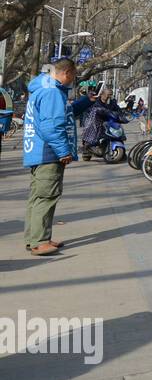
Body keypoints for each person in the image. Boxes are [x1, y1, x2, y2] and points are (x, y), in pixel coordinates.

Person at [23, 59, 91, 255]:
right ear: (67, 73)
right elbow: (51, 126)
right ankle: (39, 241)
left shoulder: (43, 88)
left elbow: (65, 114)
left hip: (39, 151)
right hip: (49, 152)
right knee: (46, 196)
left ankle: (35, 237)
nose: (73, 81)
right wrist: (63, 151)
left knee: (37, 198)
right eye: (74, 76)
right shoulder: (52, 92)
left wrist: (88, 101)